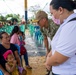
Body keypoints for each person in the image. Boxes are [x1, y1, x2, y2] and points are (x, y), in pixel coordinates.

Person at [45, 0, 76, 75]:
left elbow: (57, 59)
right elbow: (58, 46)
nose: (52, 17)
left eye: (52, 13)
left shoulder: (72, 26)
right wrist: (49, 55)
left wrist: (48, 61)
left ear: (60, 10)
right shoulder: (67, 24)